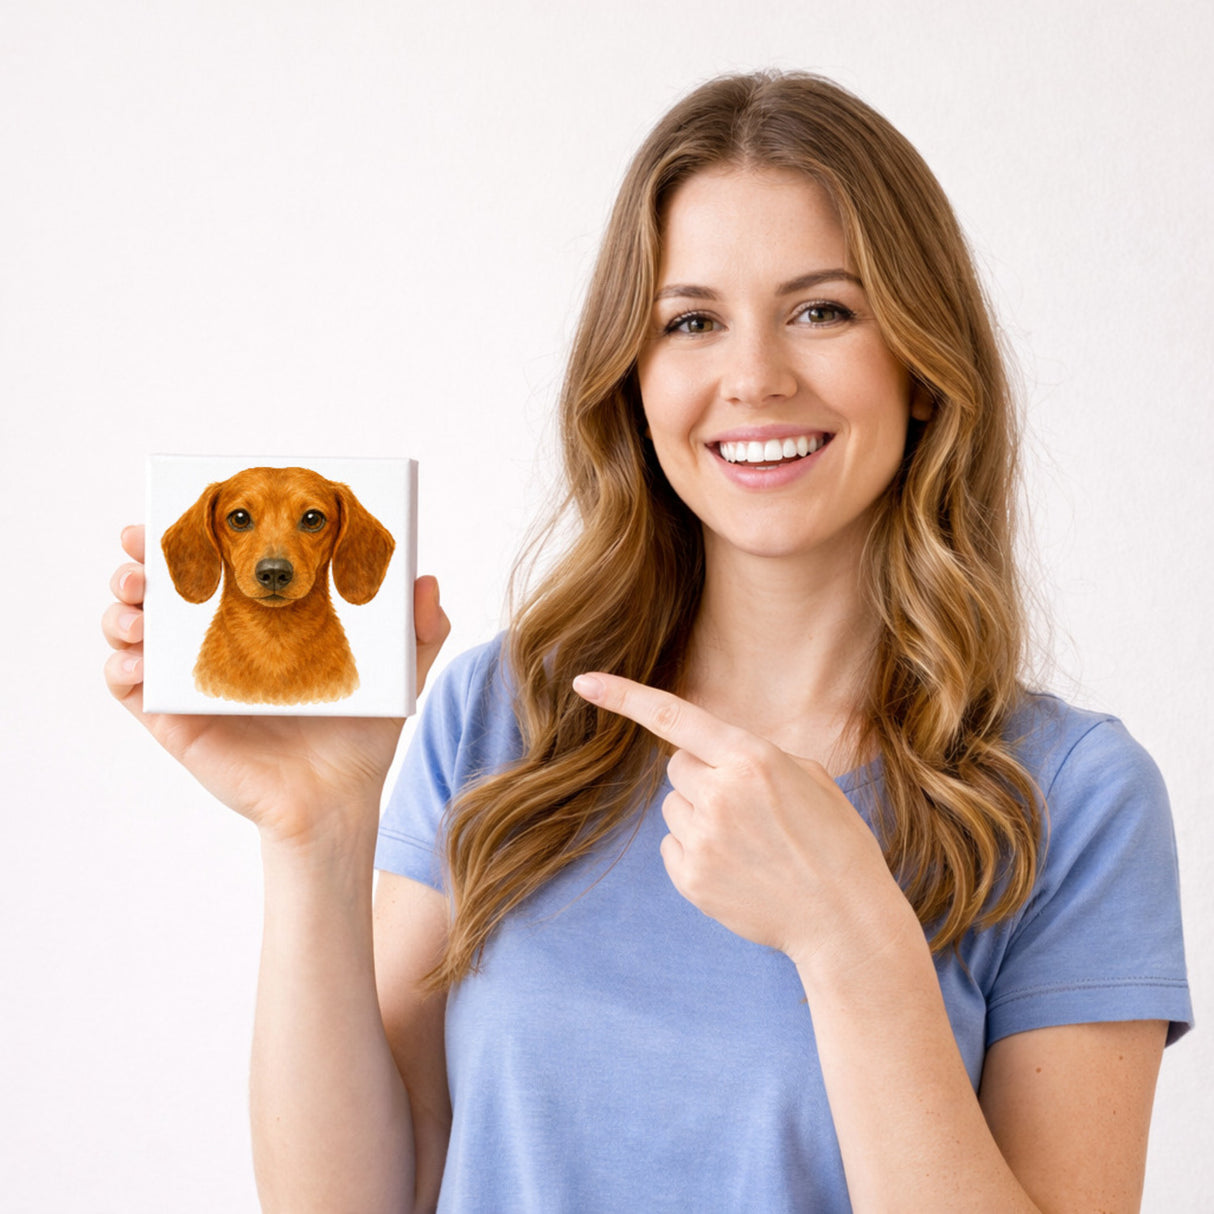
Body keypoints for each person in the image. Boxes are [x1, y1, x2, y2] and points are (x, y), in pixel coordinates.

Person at [103, 71, 1191, 1213]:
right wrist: (317, 838)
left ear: (922, 366)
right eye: (691, 322)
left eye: (822, 310)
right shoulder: (499, 716)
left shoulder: (1073, 798)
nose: (754, 377)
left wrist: (849, 938)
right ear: (633, 377)